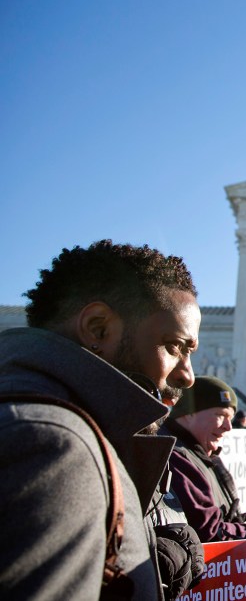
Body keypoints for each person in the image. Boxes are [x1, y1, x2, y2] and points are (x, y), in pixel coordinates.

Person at [0, 240, 202, 598]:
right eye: (175, 346)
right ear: (97, 329)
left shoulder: (86, 435)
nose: (188, 375)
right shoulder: (51, 446)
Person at [160, 375, 246, 542]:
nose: (228, 427)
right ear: (189, 413)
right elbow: (208, 530)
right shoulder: (174, 456)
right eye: (221, 415)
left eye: (230, 418)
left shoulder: (203, 455)